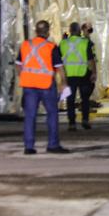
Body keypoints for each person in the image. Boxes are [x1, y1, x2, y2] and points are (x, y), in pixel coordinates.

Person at [16, 20, 69, 154]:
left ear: (35, 31)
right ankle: (53, 144)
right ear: (47, 32)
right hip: (46, 85)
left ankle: (29, 147)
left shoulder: (25, 45)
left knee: (30, 116)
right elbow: (59, 68)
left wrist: (23, 75)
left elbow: (18, 64)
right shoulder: (51, 47)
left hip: (29, 85)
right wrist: (63, 83)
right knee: (51, 114)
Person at [60, 21, 96, 131]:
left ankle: (72, 123)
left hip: (69, 75)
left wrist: (61, 77)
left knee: (70, 100)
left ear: (70, 31)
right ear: (79, 31)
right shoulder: (85, 43)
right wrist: (94, 73)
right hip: (83, 74)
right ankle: (85, 120)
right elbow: (91, 60)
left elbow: (59, 61)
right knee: (85, 99)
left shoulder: (63, 43)